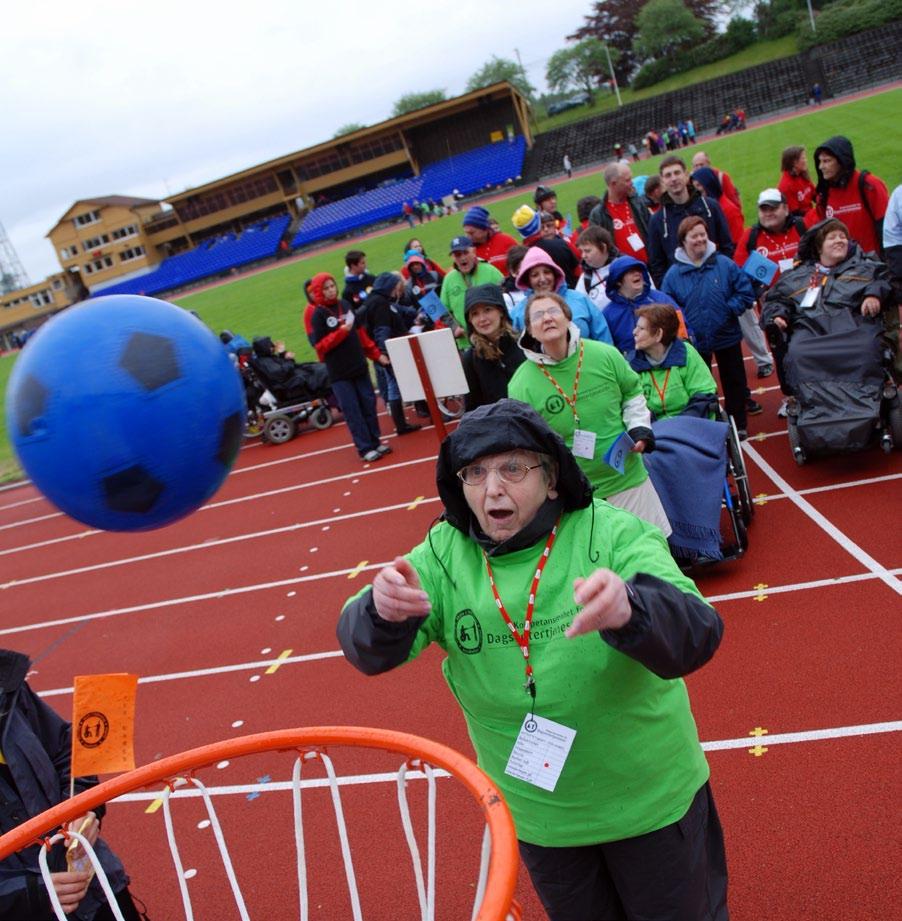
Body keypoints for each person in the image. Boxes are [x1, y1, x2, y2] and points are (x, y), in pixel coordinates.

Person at [336, 399, 727, 921]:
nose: (492, 488)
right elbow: (366, 650)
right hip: (544, 821)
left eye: (512, 468)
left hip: (651, 806)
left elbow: (698, 632)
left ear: (552, 479)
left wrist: (633, 608)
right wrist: (381, 613)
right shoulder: (445, 551)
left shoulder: (609, 531)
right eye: (474, 472)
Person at [0, 648, 145, 921]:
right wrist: (29, 895)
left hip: (95, 882)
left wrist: (83, 805)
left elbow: (67, 752)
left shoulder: (8, 689)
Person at [509, 292, 670, 534]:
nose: (547, 319)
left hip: (627, 478)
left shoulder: (605, 354)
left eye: (553, 311)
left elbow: (632, 393)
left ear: (568, 317)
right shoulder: (521, 384)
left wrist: (639, 426)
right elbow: (528, 442)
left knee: (653, 556)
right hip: (575, 494)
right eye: (538, 316)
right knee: (602, 567)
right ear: (529, 330)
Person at [762, 218, 896, 384]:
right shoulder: (797, 275)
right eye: (832, 237)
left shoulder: (865, 266)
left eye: (843, 236)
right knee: (797, 353)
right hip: (811, 330)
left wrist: (873, 294)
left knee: (867, 349)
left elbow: (885, 279)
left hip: (853, 328)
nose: (839, 240)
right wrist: (778, 315)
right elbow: (777, 298)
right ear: (819, 247)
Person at [662, 216, 759, 437]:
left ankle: (738, 425)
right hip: (695, 343)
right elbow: (669, 309)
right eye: (694, 236)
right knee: (700, 387)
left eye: (702, 234)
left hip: (727, 335)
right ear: (683, 241)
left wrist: (728, 309)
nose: (699, 240)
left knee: (734, 382)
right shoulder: (673, 275)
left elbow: (744, 292)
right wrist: (685, 330)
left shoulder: (725, 264)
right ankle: (708, 426)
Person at [309, 272, 392, 462]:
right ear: (319, 292)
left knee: (368, 404)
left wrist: (376, 354)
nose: (331, 290)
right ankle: (364, 448)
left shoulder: (345, 306)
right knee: (352, 410)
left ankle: (375, 440)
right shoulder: (318, 316)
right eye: (326, 288)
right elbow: (320, 348)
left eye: (332, 286)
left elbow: (361, 334)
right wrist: (340, 333)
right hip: (339, 372)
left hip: (359, 366)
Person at [735, 190, 807, 407]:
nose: (769, 213)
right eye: (763, 209)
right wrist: (759, 292)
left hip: (807, 301)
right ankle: (791, 398)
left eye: (774, 207)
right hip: (773, 307)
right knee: (781, 351)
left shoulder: (802, 227)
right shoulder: (752, 237)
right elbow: (739, 273)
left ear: (785, 208)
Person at [647, 156, 734, 287]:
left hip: (717, 282)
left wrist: (723, 276)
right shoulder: (657, 220)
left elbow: (727, 245)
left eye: (677, 173)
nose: (673, 178)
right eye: (668, 175)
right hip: (684, 291)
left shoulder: (710, 206)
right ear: (663, 182)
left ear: (686, 176)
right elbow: (657, 264)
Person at [627, 304, 718, 420]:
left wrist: (681, 425)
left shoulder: (687, 353)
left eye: (641, 328)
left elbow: (704, 394)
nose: (634, 332)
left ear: (658, 334)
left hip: (693, 423)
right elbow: (635, 405)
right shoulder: (632, 364)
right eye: (636, 327)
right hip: (657, 430)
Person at [359, 272, 422, 436]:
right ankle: (422, 412)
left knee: (394, 386)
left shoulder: (378, 301)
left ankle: (401, 424)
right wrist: (384, 353)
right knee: (405, 381)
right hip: (393, 350)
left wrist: (414, 312)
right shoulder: (381, 304)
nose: (397, 292)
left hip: (390, 349)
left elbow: (398, 310)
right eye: (395, 288)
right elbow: (382, 329)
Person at [508, 247, 612, 346]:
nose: (543, 279)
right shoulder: (518, 314)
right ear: (527, 280)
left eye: (547, 272)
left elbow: (602, 335)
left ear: (555, 274)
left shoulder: (579, 299)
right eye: (535, 275)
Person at [807, 136, 889, 257]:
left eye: (827, 161)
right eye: (820, 161)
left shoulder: (869, 185)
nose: (821, 167)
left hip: (873, 264)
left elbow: (887, 227)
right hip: (841, 268)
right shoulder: (823, 194)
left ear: (842, 161)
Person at [460, 284, 525, 412]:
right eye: (475, 314)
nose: (482, 319)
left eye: (488, 310)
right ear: (470, 320)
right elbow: (473, 409)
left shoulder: (523, 344)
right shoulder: (471, 359)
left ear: (501, 311)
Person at [603, 255, 685, 353]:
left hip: (664, 363)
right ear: (618, 281)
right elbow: (608, 349)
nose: (637, 274)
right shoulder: (608, 314)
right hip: (628, 366)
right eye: (630, 271)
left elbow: (682, 332)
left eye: (639, 270)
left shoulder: (661, 300)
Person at [439, 236, 504, 350]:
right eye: (458, 255)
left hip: (496, 338)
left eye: (465, 252)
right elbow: (442, 310)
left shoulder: (490, 271)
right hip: (467, 344)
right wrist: (454, 328)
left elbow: (506, 300)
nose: (462, 258)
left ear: (473, 252)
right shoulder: (449, 279)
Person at [588, 162, 651, 264]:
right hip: (623, 274)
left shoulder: (638, 203)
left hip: (650, 269)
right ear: (613, 184)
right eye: (627, 180)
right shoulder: (598, 215)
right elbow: (598, 249)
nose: (632, 183)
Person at [690, 167, 745, 246]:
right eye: (694, 187)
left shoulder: (729, 210)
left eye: (699, 185)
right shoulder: (701, 208)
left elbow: (739, 242)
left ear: (708, 184)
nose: (696, 190)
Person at [462, 206, 519, 274]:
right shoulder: (465, 251)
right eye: (466, 233)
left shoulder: (507, 241)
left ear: (484, 229)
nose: (468, 237)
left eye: (472, 233)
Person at [575, 225, 618, 311]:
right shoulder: (585, 279)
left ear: (603, 247)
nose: (583, 256)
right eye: (581, 251)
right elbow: (580, 309)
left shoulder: (626, 266)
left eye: (587, 251)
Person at [778, 146, 816, 217]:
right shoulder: (786, 186)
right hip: (802, 221)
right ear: (794, 163)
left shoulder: (802, 174)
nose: (806, 160)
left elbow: (815, 195)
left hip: (810, 215)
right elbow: (795, 214)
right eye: (803, 158)